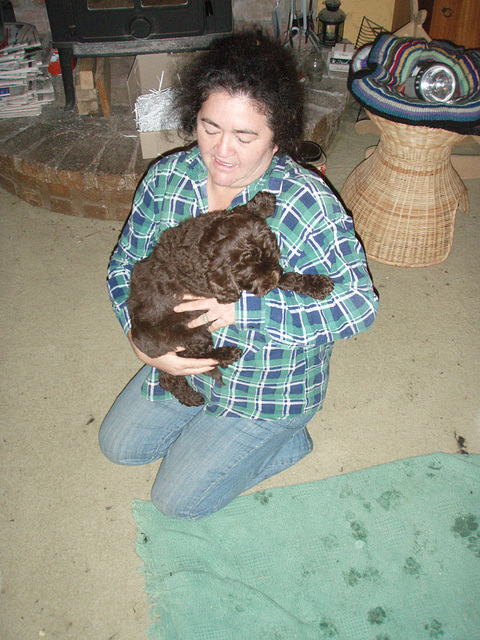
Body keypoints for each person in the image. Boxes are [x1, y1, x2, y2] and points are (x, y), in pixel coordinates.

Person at [99, 31, 378, 520]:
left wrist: (242, 310)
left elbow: (360, 305)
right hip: (185, 355)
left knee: (176, 502)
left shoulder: (307, 204)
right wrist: (140, 341)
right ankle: (211, 436)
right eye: (209, 128)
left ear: (278, 135)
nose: (222, 151)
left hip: (267, 386)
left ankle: (286, 439)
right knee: (119, 447)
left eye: (245, 136)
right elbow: (126, 264)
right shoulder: (169, 177)